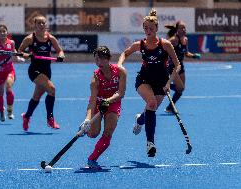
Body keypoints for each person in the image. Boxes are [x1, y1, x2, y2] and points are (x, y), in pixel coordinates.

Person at [117, 9, 181, 157]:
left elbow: (177, 65)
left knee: (149, 110)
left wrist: (169, 83)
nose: (148, 30)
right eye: (145, 28)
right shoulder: (140, 44)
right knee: (151, 104)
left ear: (157, 29)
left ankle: (140, 120)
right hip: (144, 79)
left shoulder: (165, 45)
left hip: (162, 81)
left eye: (151, 28)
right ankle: (150, 144)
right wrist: (120, 65)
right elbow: (124, 53)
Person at [78, 46, 127, 169]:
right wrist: (87, 119)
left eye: (102, 59)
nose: (99, 62)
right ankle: (86, 129)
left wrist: (108, 100)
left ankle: (92, 159)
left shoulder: (121, 72)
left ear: (109, 58)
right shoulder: (95, 78)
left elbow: (121, 94)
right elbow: (92, 101)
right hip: (98, 104)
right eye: (96, 59)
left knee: (108, 131)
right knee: (93, 133)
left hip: (113, 102)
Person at [18, 15, 65, 132]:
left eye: (43, 23)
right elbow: (19, 51)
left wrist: (60, 56)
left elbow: (60, 51)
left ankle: (26, 116)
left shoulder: (51, 38)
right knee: (52, 89)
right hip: (34, 70)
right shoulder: (30, 38)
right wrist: (26, 55)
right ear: (35, 25)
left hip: (46, 70)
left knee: (36, 97)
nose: (42, 25)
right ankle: (50, 118)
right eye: (39, 23)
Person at [164, 21, 201, 113]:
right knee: (180, 88)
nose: (184, 30)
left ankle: (169, 108)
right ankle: (163, 85)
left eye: (185, 28)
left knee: (180, 90)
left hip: (181, 65)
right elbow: (163, 48)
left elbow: (186, 53)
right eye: (181, 28)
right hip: (173, 66)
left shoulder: (185, 40)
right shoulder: (173, 40)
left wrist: (193, 56)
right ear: (177, 29)